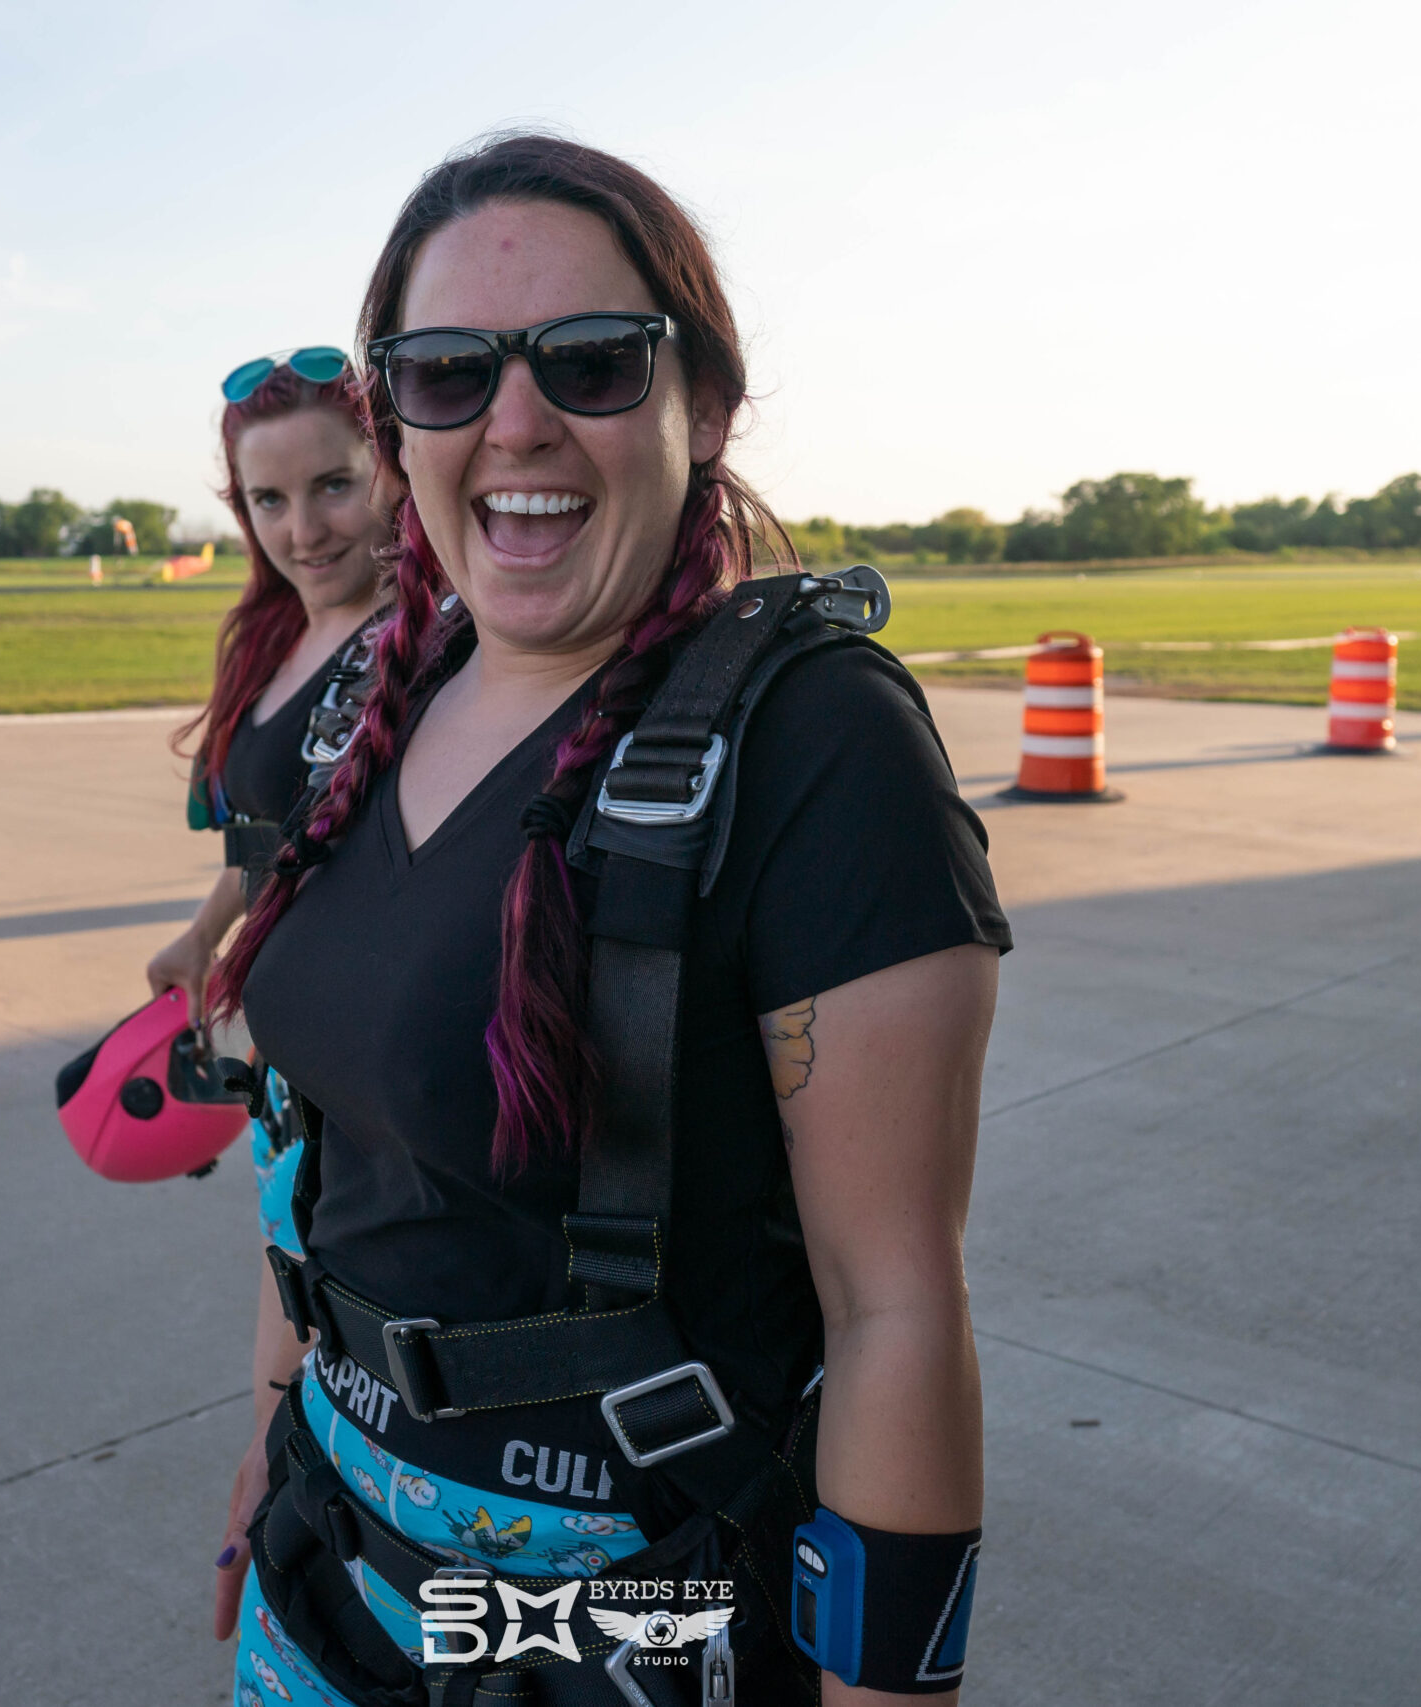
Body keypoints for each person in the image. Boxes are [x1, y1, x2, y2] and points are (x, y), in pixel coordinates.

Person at [207, 135, 1008, 1705]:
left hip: (627, 1609)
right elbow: (321, 1163)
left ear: (699, 406)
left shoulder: (814, 744)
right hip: (334, 1552)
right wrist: (261, 1443)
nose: (514, 420)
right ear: (394, 421)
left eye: (588, 360)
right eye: (445, 373)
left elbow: (895, 1303)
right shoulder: (372, 699)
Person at [146, 352, 388, 1260]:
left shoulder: (427, 641)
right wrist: (203, 937)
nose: (304, 532)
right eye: (269, 501)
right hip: (282, 1054)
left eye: (334, 485)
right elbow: (270, 841)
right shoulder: (274, 634)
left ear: (392, 474)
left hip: (371, 1070)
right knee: (286, 1330)